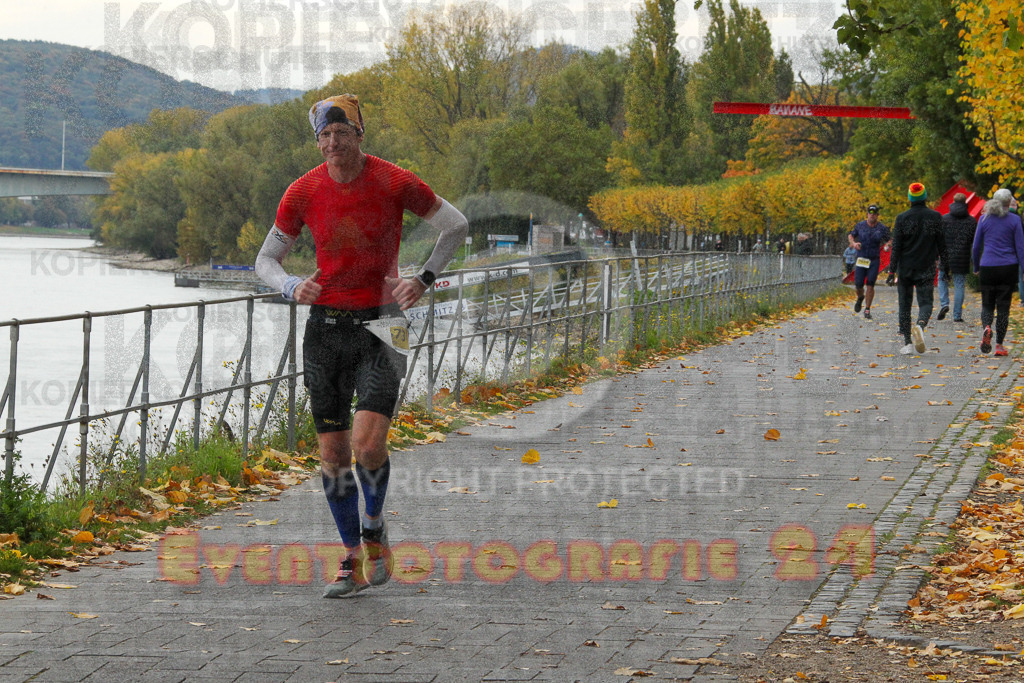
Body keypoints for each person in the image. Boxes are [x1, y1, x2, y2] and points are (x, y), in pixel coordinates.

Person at [255, 94, 468, 597]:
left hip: (385, 321)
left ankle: (374, 527)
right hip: (325, 327)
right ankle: (352, 554)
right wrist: (289, 286)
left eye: (341, 133)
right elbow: (266, 259)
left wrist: (425, 278)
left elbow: (455, 225)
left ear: (359, 134)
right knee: (332, 454)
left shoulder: (394, 180)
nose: (333, 143)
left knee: (368, 444)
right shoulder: (302, 191)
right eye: (324, 136)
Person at [886, 183, 948, 355]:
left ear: (910, 198)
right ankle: (920, 326)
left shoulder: (902, 218)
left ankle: (907, 342)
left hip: (905, 268)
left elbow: (896, 246)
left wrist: (891, 271)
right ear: (925, 197)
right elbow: (942, 245)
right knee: (926, 302)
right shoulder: (935, 217)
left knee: (904, 304)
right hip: (926, 267)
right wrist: (946, 268)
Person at [971, 188, 1024, 356]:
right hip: (1008, 267)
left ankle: (987, 326)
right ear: (1010, 203)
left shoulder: (984, 219)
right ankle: (999, 345)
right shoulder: (1015, 220)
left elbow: (976, 246)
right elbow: (1020, 247)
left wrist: (976, 267)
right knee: (1003, 307)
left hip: (987, 266)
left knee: (987, 303)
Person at [938, 192, 977, 323]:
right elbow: (974, 241)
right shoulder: (971, 221)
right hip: (963, 257)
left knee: (942, 279)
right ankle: (957, 315)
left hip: (946, 256)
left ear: (953, 202)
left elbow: (940, 239)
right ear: (965, 202)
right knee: (959, 284)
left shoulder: (944, 219)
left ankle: (944, 304)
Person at [848, 204, 891, 320]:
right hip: (862, 259)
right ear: (867, 214)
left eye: (874, 214)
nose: (872, 216)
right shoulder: (860, 226)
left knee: (870, 284)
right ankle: (860, 297)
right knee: (858, 284)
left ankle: (867, 309)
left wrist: (887, 245)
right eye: (870, 214)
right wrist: (854, 244)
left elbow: (890, 239)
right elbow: (851, 236)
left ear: (877, 215)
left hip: (874, 259)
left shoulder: (881, 228)